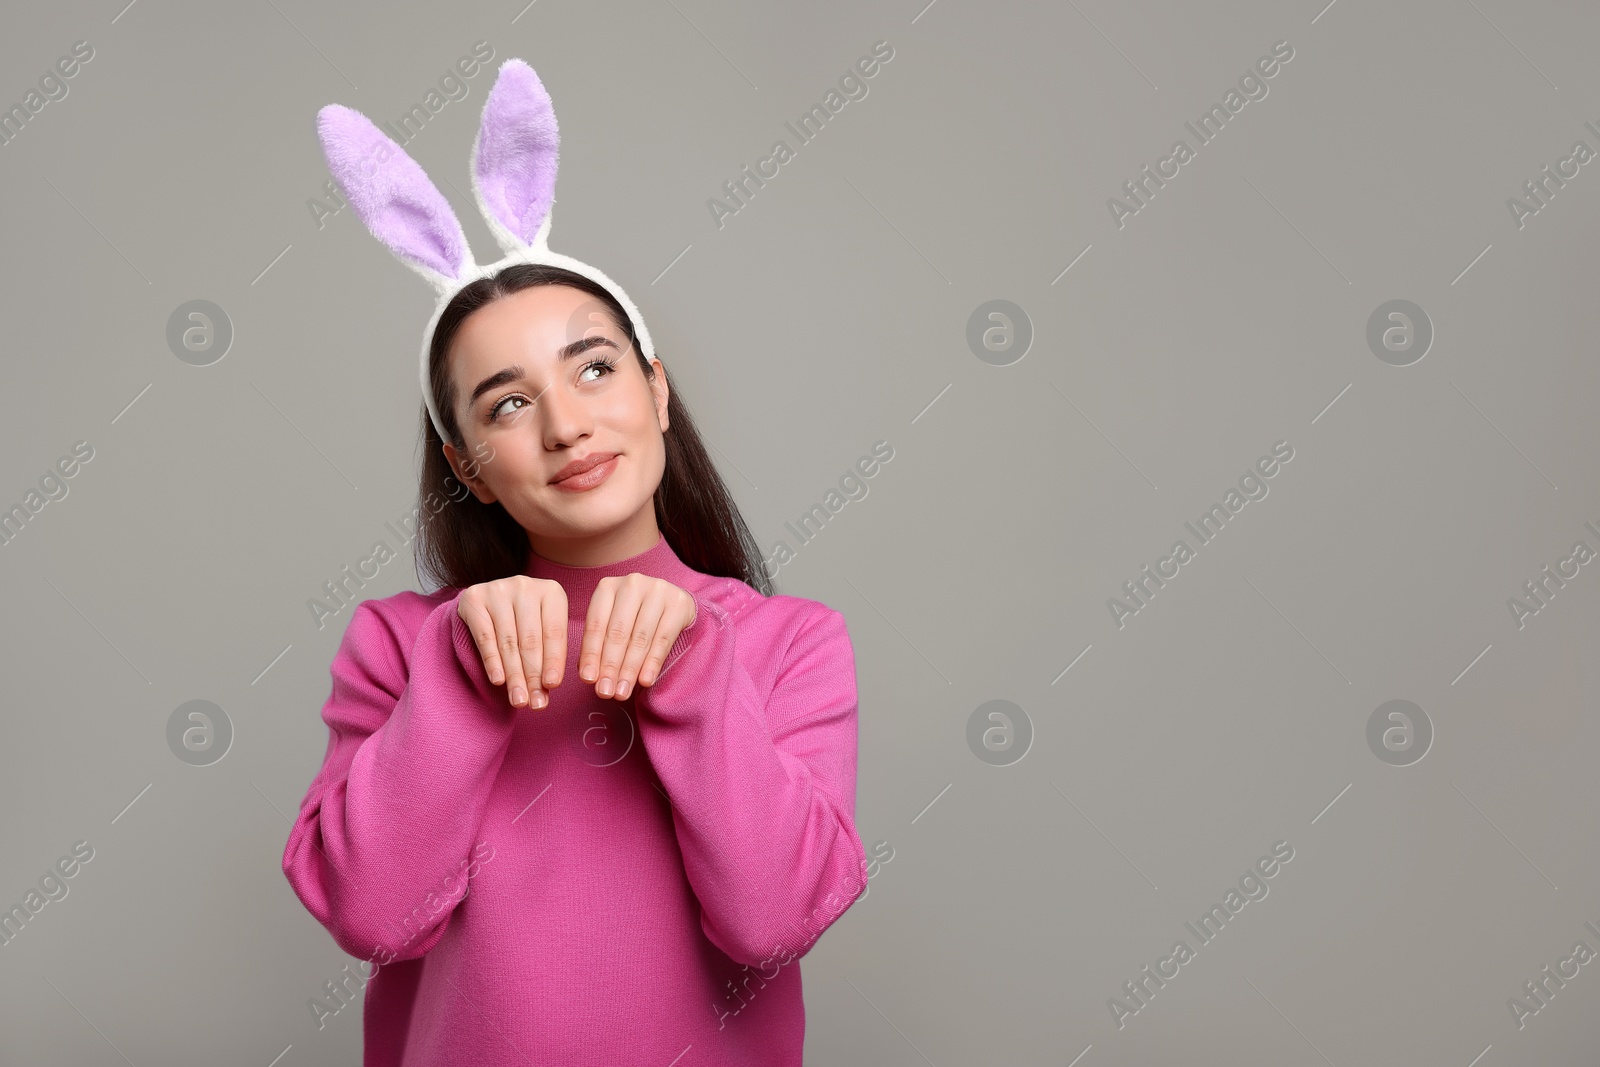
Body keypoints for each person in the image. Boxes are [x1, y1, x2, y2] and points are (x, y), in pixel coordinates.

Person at [282, 59, 869, 1066]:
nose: (566, 423)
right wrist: (461, 682)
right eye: (507, 402)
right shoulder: (400, 643)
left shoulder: (787, 642)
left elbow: (773, 919)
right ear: (467, 465)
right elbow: (374, 915)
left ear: (655, 390)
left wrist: (691, 675)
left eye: (594, 367)